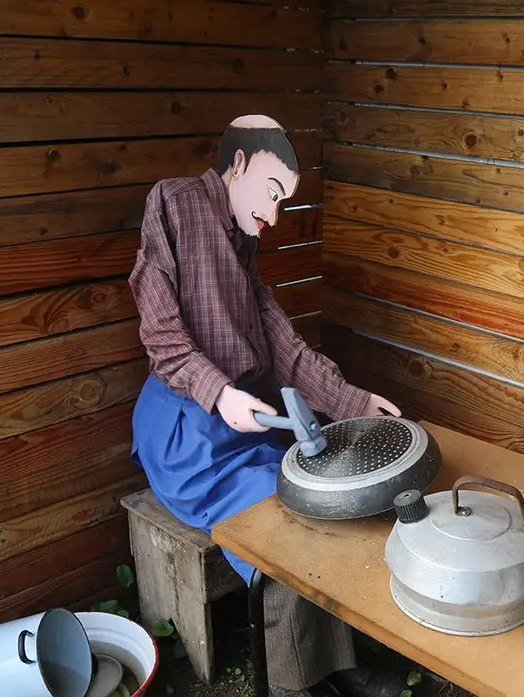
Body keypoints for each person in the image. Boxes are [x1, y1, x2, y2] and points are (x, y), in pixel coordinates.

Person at [128, 114, 403, 697]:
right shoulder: (174, 203)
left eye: (285, 204)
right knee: (281, 535)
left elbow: (284, 344)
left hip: (241, 426)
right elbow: (160, 333)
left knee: (321, 506)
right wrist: (217, 391)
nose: (275, 217)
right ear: (240, 165)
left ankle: (334, 669)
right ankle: (293, 686)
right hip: (187, 434)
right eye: (272, 196)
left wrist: (354, 403)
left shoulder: (242, 238)